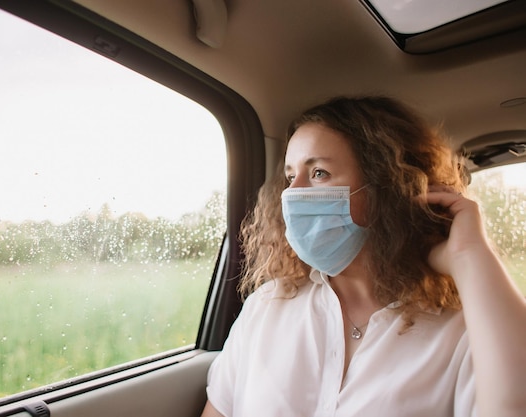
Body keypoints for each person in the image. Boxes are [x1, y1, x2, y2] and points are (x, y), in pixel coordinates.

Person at [200, 96, 526, 417]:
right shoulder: (265, 306)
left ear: (386, 188)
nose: (292, 192)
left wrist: (468, 255)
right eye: (290, 176)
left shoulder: (465, 330)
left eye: (319, 173)